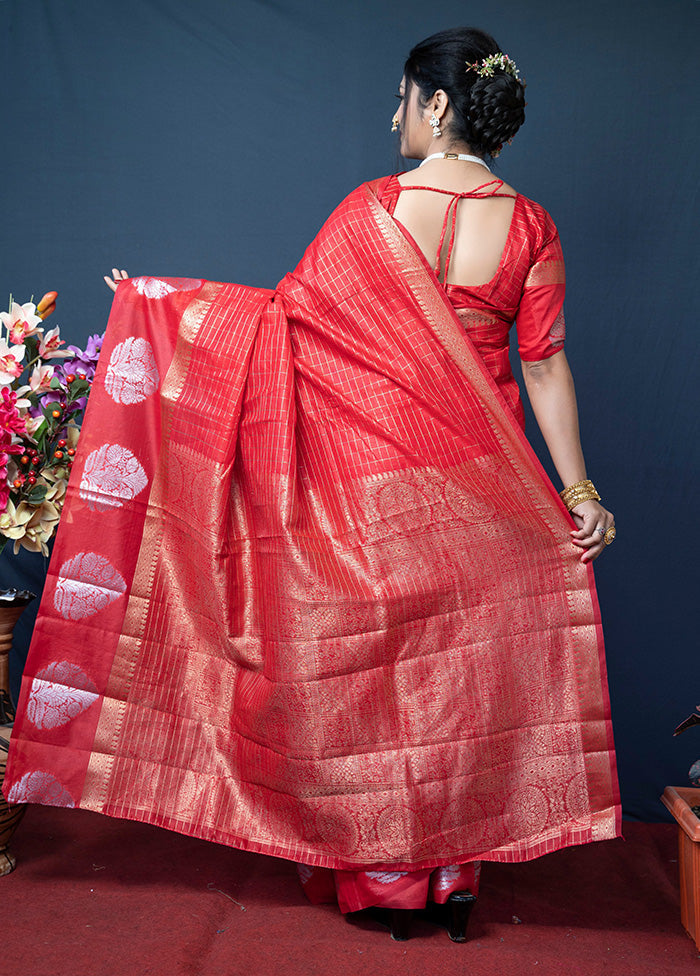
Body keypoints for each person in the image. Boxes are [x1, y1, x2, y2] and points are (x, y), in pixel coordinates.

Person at [5, 27, 620, 943]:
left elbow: (282, 330)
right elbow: (545, 368)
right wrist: (578, 496)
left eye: (405, 97)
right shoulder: (530, 227)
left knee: (378, 690)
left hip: (364, 499)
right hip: (482, 500)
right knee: (454, 689)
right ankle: (452, 881)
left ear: (439, 105)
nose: (394, 115)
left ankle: (385, 886)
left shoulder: (372, 212)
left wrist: (163, 309)